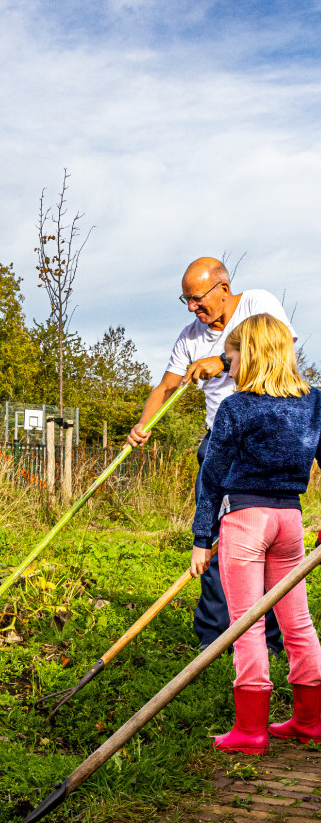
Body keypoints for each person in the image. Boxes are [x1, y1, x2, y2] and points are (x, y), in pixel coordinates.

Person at [129, 258, 294, 653]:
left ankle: (267, 637)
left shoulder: (258, 304)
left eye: (197, 298)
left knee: (263, 537)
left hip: (265, 437)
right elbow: (166, 386)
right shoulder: (189, 336)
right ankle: (215, 632)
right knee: (216, 534)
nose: (191, 308)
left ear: (223, 287)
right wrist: (142, 424)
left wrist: (219, 362)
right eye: (185, 300)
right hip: (219, 439)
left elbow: (278, 350)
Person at [190, 314, 321, 755]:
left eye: (231, 355)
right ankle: (309, 721)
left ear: (252, 354)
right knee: (297, 621)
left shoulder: (238, 407)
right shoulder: (313, 403)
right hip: (290, 524)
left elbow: (211, 477)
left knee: (247, 623)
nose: (227, 364)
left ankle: (249, 731)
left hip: (246, 520)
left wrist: (201, 538)